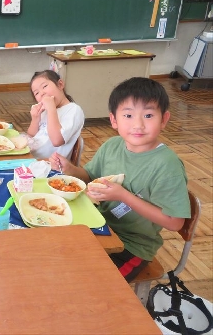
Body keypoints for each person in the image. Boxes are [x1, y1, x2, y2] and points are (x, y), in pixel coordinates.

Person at [50, 77, 190, 282]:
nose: (138, 124)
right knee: (53, 259)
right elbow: (89, 177)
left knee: (87, 285)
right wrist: (69, 168)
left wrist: (123, 195)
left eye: (149, 115)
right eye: (128, 115)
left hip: (131, 247)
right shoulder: (113, 146)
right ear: (114, 120)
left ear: (164, 120)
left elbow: (175, 222)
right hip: (99, 226)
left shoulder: (166, 165)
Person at [27, 70, 84, 159]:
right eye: (36, 93)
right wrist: (35, 119)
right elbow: (30, 136)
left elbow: (57, 141)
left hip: (50, 166)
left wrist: (51, 109)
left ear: (60, 84)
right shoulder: (44, 111)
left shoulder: (74, 110)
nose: (42, 93)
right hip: (31, 157)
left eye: (45, 86)